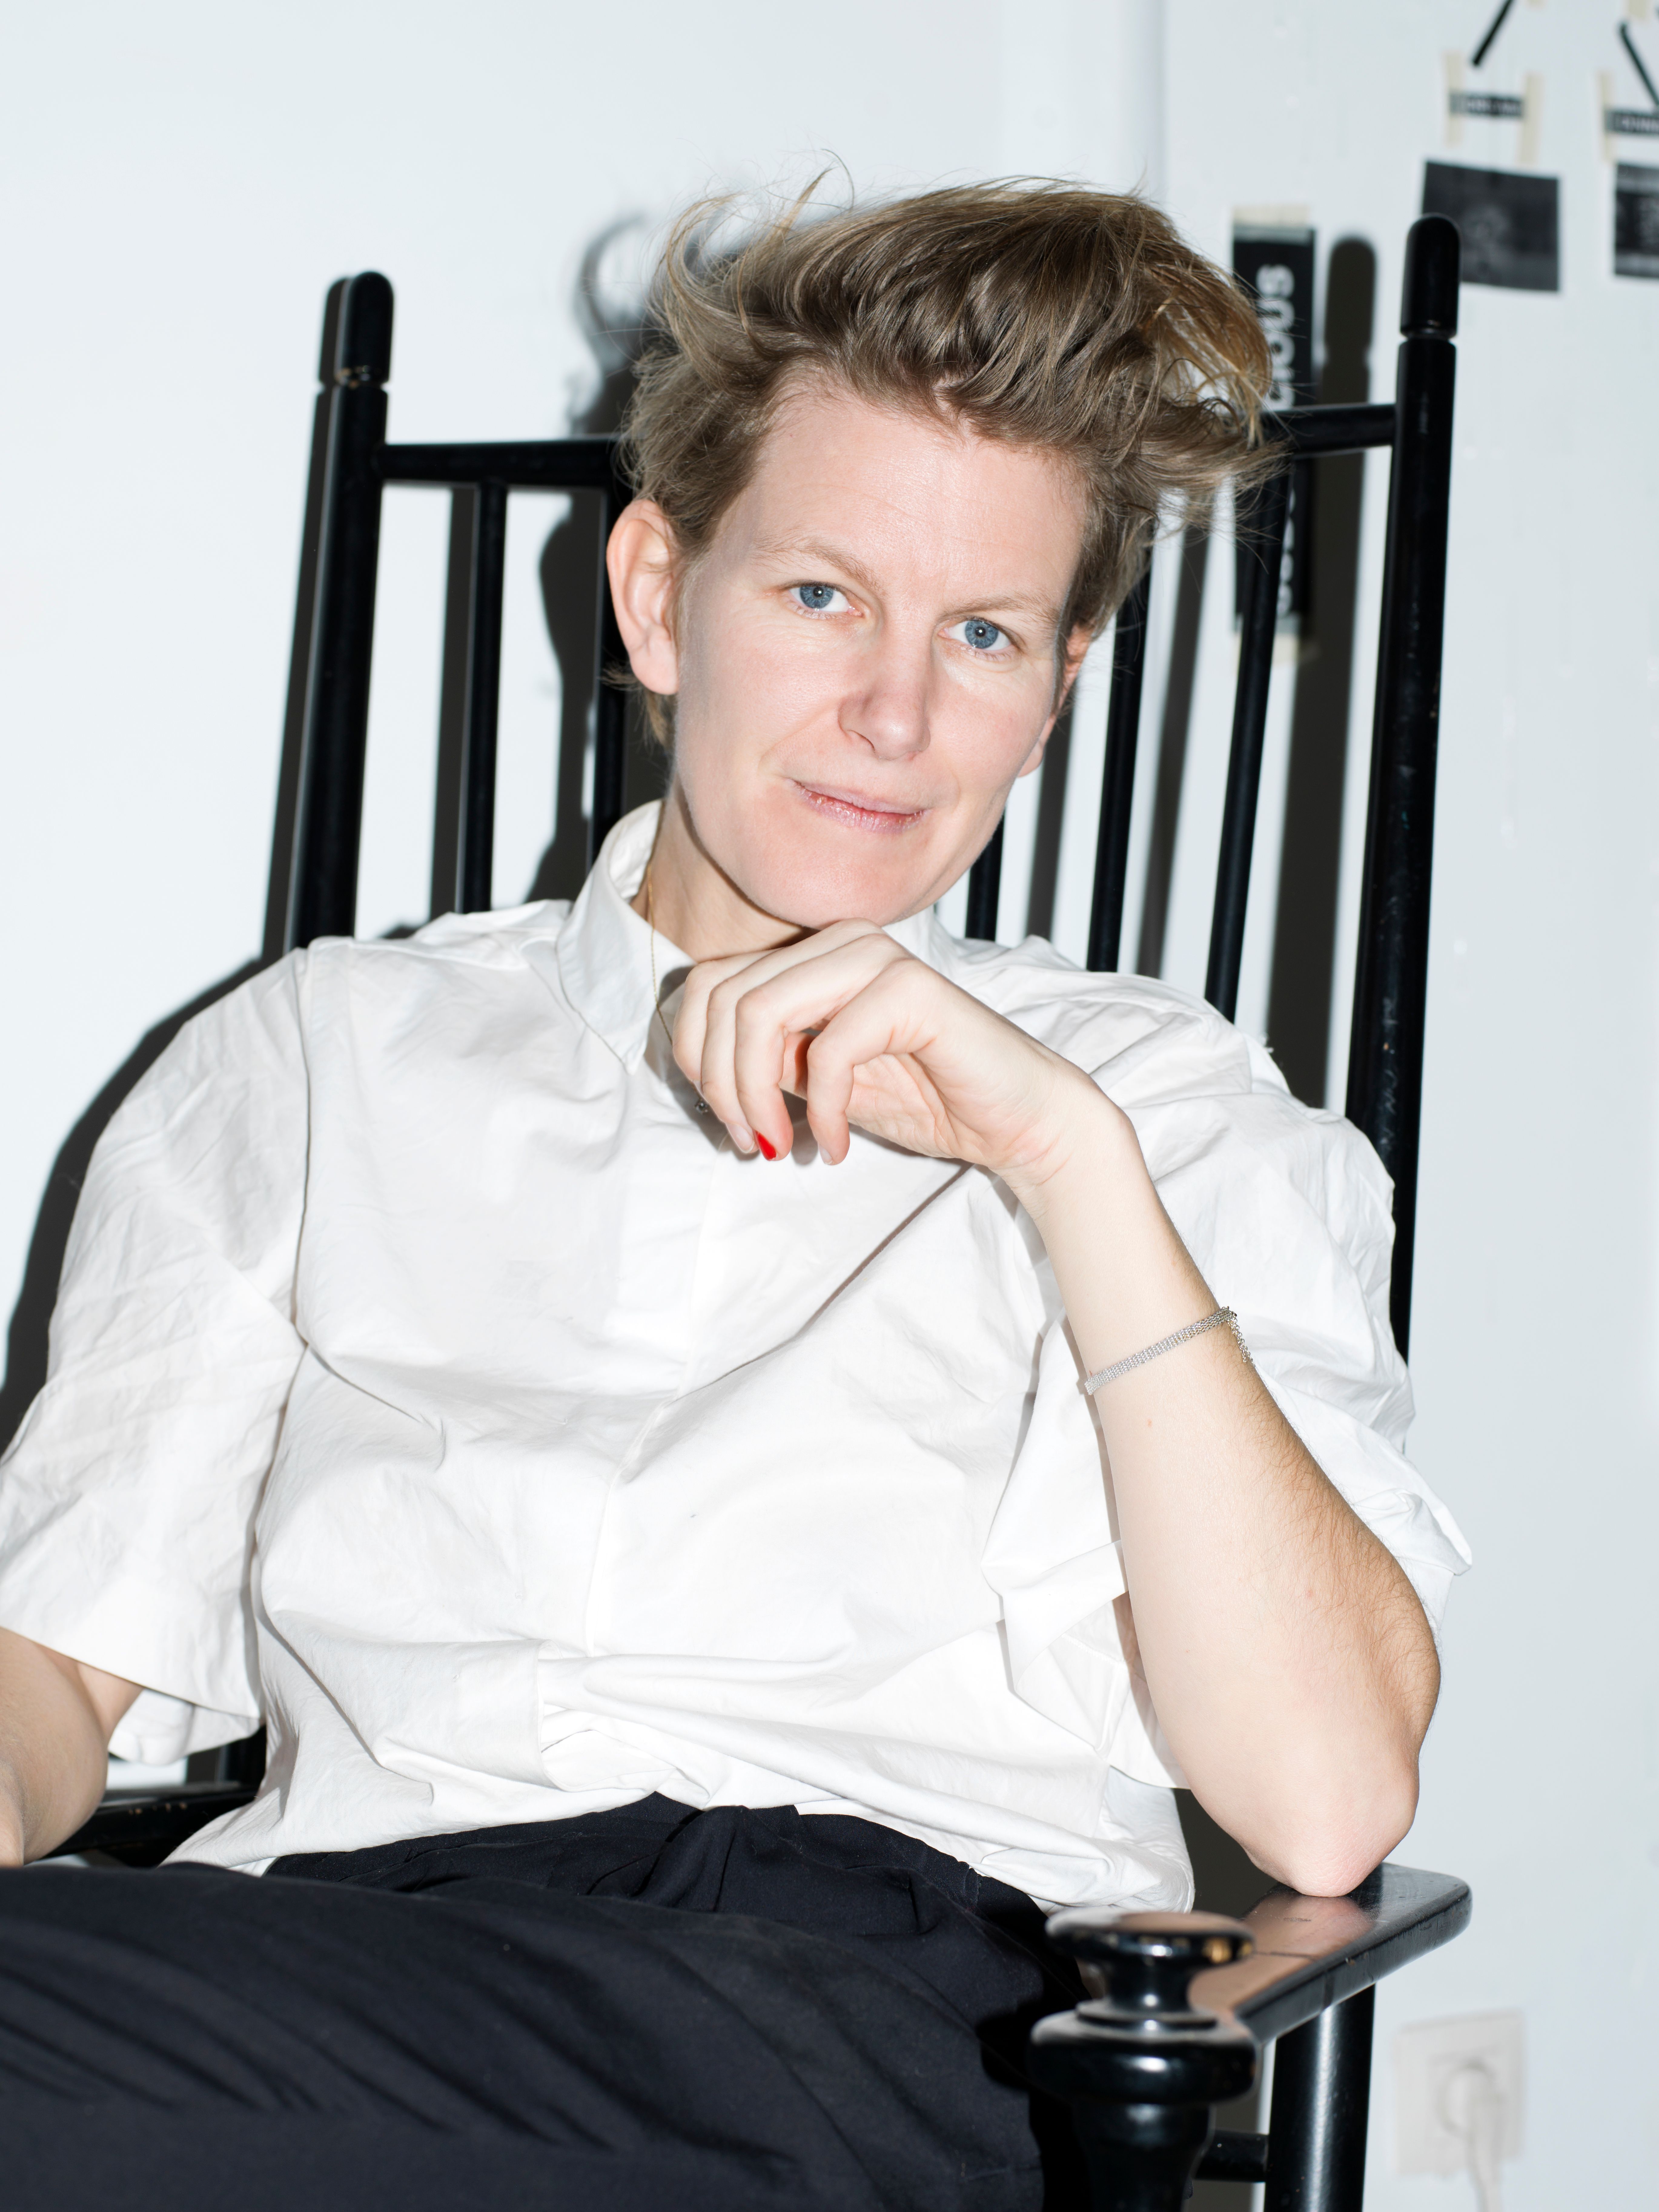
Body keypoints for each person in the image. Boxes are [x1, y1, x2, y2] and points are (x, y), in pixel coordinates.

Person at [0, 183, 1468, 2210]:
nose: (896, 715)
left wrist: (1064, 1168)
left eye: (982, 634)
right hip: (334, 1977)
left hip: (856, 2006)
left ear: (1057, 683)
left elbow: (1321, 1803)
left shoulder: (1160, 1117)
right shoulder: (316, 1060)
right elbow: (52, 1661)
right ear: (655, 592)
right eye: (822, 596)